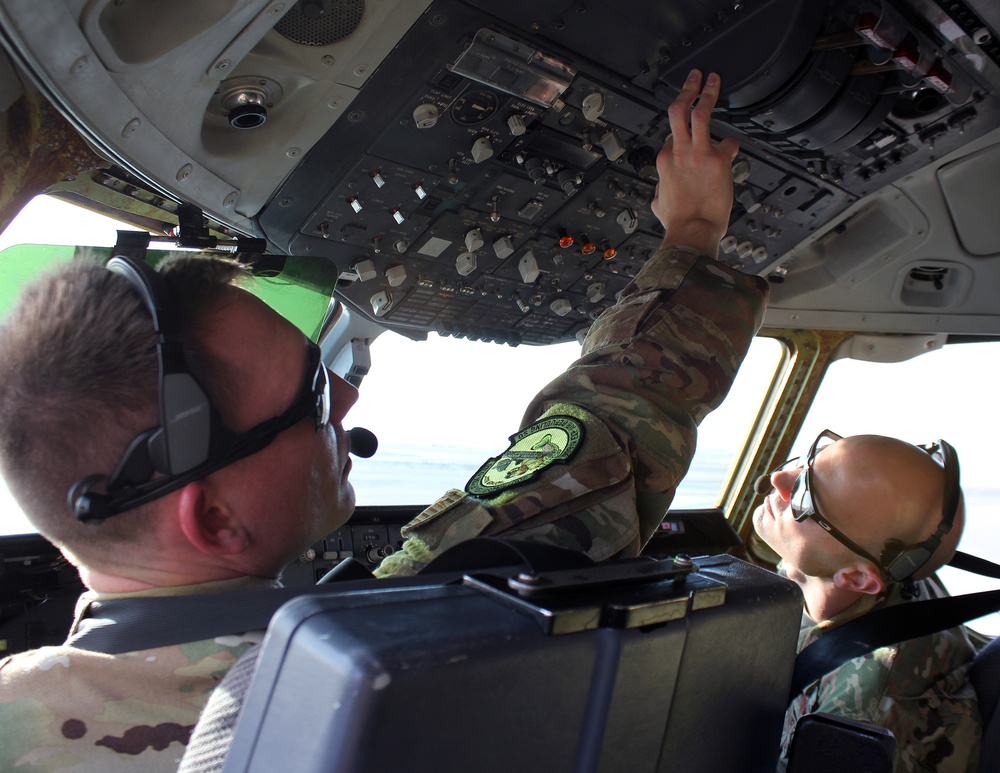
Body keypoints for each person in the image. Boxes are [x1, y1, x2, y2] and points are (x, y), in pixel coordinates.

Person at [0, 70, 768, 772]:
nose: (346, 396)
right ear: (213, 516)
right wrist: (694, 232)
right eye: (309, 395)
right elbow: (606, 438)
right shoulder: (405, 649)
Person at [753, 430, 981, 773]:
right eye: (808, 463)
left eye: (806, 498)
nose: (779, 478)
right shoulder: (872, 568)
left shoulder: (857, 720)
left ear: (858, 578)